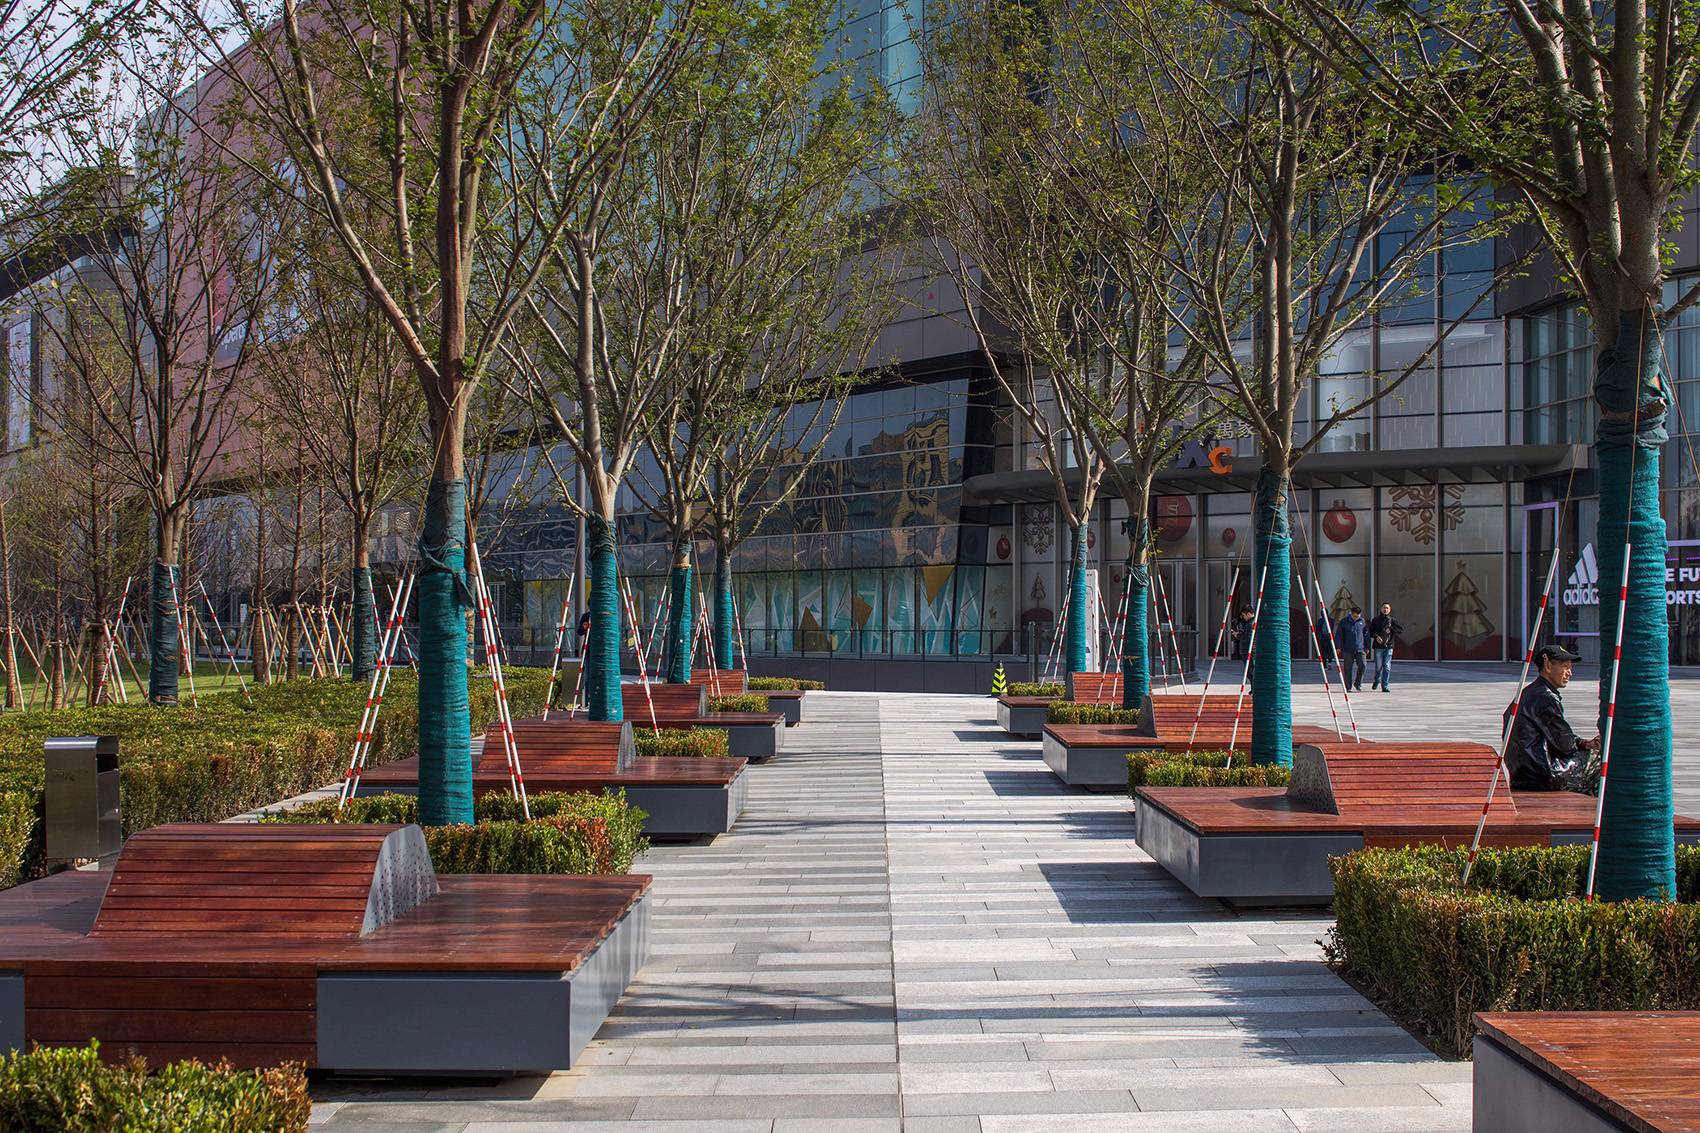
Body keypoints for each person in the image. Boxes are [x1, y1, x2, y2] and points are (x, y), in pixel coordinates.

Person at [1505, 644, 1601, 794]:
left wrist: (1583, 743)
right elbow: (1565, 744)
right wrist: (1586, 745)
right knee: (1599, 758)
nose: (1570, 673)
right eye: (1565, 667)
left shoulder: (1529, 693)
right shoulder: (1546, 698)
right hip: (1544, 774)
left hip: (1521, 773)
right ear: (1548, 666)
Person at [1367, 602, 1402, 691]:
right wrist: (1376, 637)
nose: (1385, 609)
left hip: (1389, 646)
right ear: (1381, 609)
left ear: (1389, 610)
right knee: (1378, 667)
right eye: (1384, 608)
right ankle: (1376, 680)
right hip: (1378, 646)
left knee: (1387, 667)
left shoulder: (1392, 620)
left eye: (1387, 608)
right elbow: (1371, 631)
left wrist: (1391, 628)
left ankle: (1385, 686)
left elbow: (1400, 630)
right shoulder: (1376, 619)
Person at [1334, 606, 1369, 691]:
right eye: (1355, 616)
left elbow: (1366, 635)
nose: (1357, 617)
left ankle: (1358, 683)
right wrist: (1338, 646)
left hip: (1360, 648)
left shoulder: (1362, 621)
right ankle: (1348, 686)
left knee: (1363, 665)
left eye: (1358, 615)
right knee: (1347, 668)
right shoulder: (1344, 622)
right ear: (1351, 613)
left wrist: (1367, 646)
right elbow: (1338, 635)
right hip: (1348, 649)